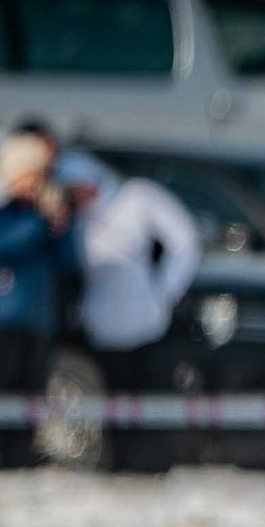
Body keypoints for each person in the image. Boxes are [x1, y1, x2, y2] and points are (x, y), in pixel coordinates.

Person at [0, 131, 75, 467]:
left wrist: (60, 225)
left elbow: (67, 261)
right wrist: (38, 223)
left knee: (27, 399)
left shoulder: (45, 209)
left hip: (35, 317)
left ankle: (21, 457)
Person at [53, 151, 200, 381]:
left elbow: (184, 241)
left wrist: (165, 292)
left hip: (148, 326)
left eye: (79, 191)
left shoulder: (136, 198)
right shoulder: (73, 221)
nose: (79, 199)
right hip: (100, 331)